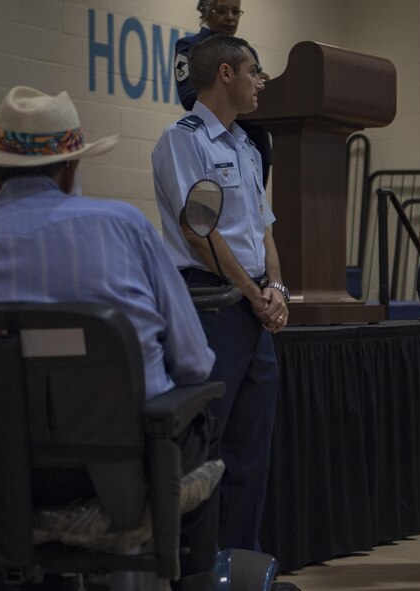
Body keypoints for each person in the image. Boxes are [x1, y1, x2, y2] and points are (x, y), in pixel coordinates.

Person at [0, 85, 219, 585]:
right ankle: (195, 579)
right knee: (202, 414)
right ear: (73, 169)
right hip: (115, 479)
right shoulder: (125, 227)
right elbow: (193, 363)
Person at [153, 34, 288, 553]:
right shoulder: (183, 139)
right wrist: (252, 293)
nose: (262, 80)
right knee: (206, 452)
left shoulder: (247, 147)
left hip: (253, 307)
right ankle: (201, 573)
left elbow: (264, 230)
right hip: (209, 304)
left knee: (251, 454)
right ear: (226, 74)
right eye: (254, 70)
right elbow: (197, 232)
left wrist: (274, 288)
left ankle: (244, 569)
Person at [174, 0, 273, 187]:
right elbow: (188, 97)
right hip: (215, 142)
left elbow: (254, 94)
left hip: (254, 140)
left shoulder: (247, 50)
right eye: (222, 11)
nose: (230, 17)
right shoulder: (190, 46)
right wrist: (234, 93)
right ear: (206, 11)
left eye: (236, 12)